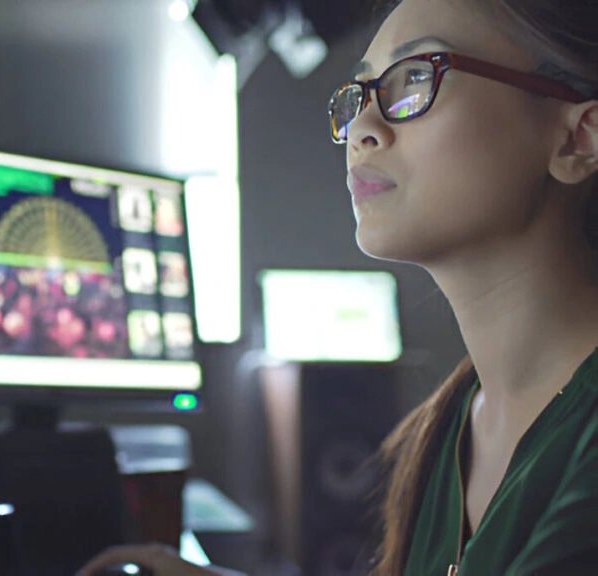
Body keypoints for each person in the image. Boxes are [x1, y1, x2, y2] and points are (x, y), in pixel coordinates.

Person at [79, 0, 598, 573]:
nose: (362, 130)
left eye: (414, 79)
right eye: (359, 96)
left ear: (578, 139)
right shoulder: (453, 422)